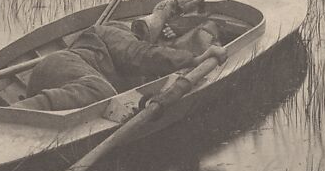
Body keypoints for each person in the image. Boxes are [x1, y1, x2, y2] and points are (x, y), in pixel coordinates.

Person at [13, 16, 227, 111]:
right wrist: (194, 59)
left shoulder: (139, 72)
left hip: (64, 85)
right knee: (103, 92)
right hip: (62, 66)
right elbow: (141, 54)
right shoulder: (113, 32)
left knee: (106, 97)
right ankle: (18, 112)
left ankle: (33, 112)